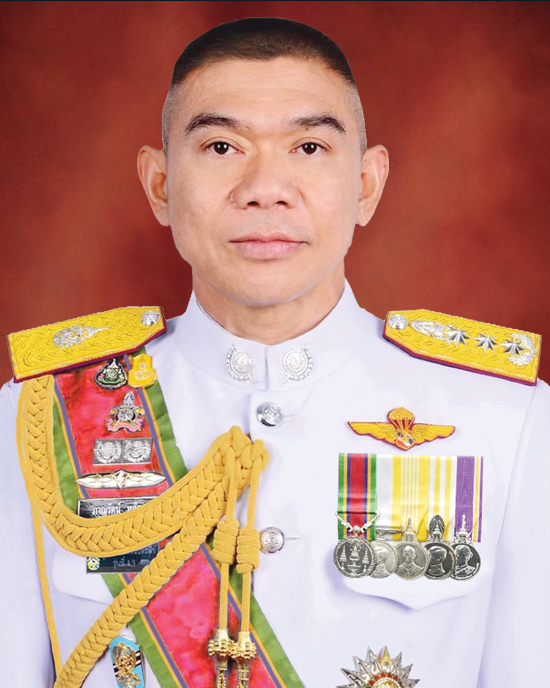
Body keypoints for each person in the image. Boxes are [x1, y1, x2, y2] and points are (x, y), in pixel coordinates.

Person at [1, 16, 549, 688]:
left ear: (367, 184)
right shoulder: (39, 415)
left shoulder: (505, 418)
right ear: (160, 185)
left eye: (309, 147)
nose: (266, 186)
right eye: (222, 146)